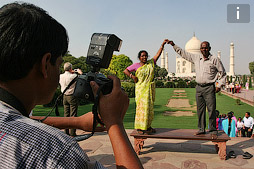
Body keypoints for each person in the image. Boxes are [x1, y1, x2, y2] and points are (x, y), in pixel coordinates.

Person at [0, 3, 143, 169]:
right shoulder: (56, 151)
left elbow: (19, 121)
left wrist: (76, 122)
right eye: (59, 64)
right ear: (45, 64)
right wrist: (114, 123)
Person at [168, 40, 226, 138]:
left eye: (206, 48)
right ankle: (201, 129)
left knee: (211, 110)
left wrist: (219, 85)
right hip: (199, 87)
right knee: (200, 110)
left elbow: (223, 73)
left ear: (209, 48)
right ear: (200, 49)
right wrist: (173, 45)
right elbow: (183, 53)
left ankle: (212, 130)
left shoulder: (214, 59)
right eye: (202, 48)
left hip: (209, 87)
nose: (204, 49)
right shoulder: (196, 57)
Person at [123, 39, 169, 134]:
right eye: (142, 56)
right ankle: (140, 128)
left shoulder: (150, 63)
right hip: (141, 90)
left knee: (149, 109)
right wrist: (132, 76)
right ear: (139, 57)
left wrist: (162, 45)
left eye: (145, 56)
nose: (144, 57)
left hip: (149, 90)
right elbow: (125, 70)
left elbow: (158, 55)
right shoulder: (136, 65)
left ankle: (148, 126)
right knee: (141, 109)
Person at [59, 62, 82, 137]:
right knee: (73, 115)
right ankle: (72, 133)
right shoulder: (74, 76)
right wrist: (80, 73)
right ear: (71, 68)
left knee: (66, 114)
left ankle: (66, 132)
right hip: (72, 96)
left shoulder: (60, 76)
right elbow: (82, 79)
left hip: (64, 96)